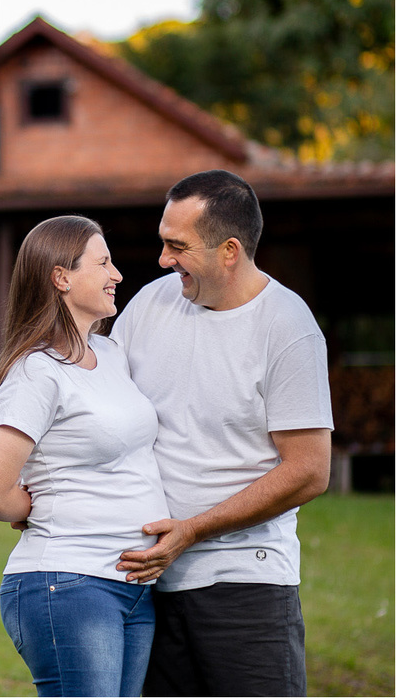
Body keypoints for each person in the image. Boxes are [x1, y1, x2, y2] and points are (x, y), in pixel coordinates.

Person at [111, 169, 333, 696]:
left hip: (247, 588)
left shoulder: (287, 327)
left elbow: (309, 471)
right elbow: (103, 413)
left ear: (229, 250)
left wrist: (193, 530)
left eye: (177, 246)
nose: (163, 260)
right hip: (148, 585)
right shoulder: (150, 305)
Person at [0, 215, 169, 697]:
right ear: (62, 277)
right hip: (69, 584)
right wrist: (35, 507)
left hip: (133, 588)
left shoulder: (112, 355)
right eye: (103, 263)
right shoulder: (36, 373)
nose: (117, 274)